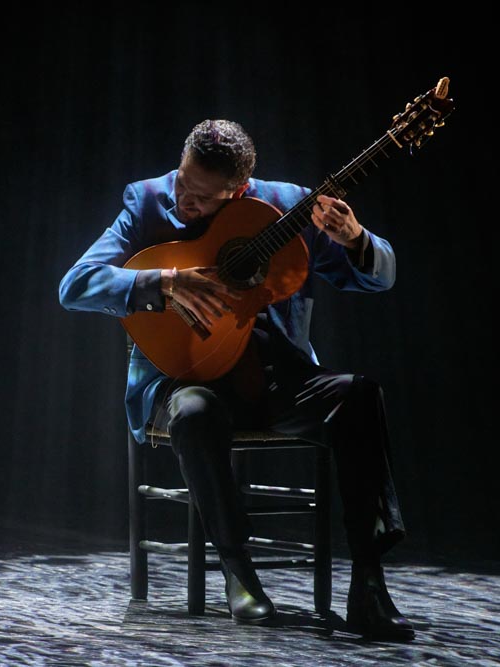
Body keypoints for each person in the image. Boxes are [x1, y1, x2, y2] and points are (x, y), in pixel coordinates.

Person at [59, 119, 414, 640]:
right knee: (197, 412)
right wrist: (164, 280)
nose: (185, 201)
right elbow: (76, 284)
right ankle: (238, 572)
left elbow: (381, 277)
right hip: (189, 381)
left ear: (239, 190)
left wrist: (356, 239)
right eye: (184, 183)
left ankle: (369, 583)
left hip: (277, 383)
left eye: (203, 198)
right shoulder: (146, 201)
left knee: (359, 395)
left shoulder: (283, 206)